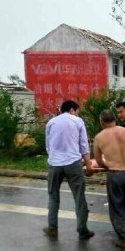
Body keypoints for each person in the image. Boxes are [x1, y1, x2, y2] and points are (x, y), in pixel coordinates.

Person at [93, 109, 125, 249]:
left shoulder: (99, 137)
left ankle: (124, 239)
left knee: (116, 207)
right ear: (114, 119)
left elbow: (98, 160)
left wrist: (106, 166)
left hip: (114, 173)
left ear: (101, 122)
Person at [43, 99, 94, 240]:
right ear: (72, 109)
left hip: (54, 164)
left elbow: (48, 146)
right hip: (73, 163)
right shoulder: (77, 122)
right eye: (77, 112)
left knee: (53, 197)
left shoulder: (51, 122)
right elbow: (84, 145)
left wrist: (54, 158)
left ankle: (52, 228)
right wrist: (89, 165)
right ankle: (82, 230)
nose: (78, 114)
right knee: (79, 197)